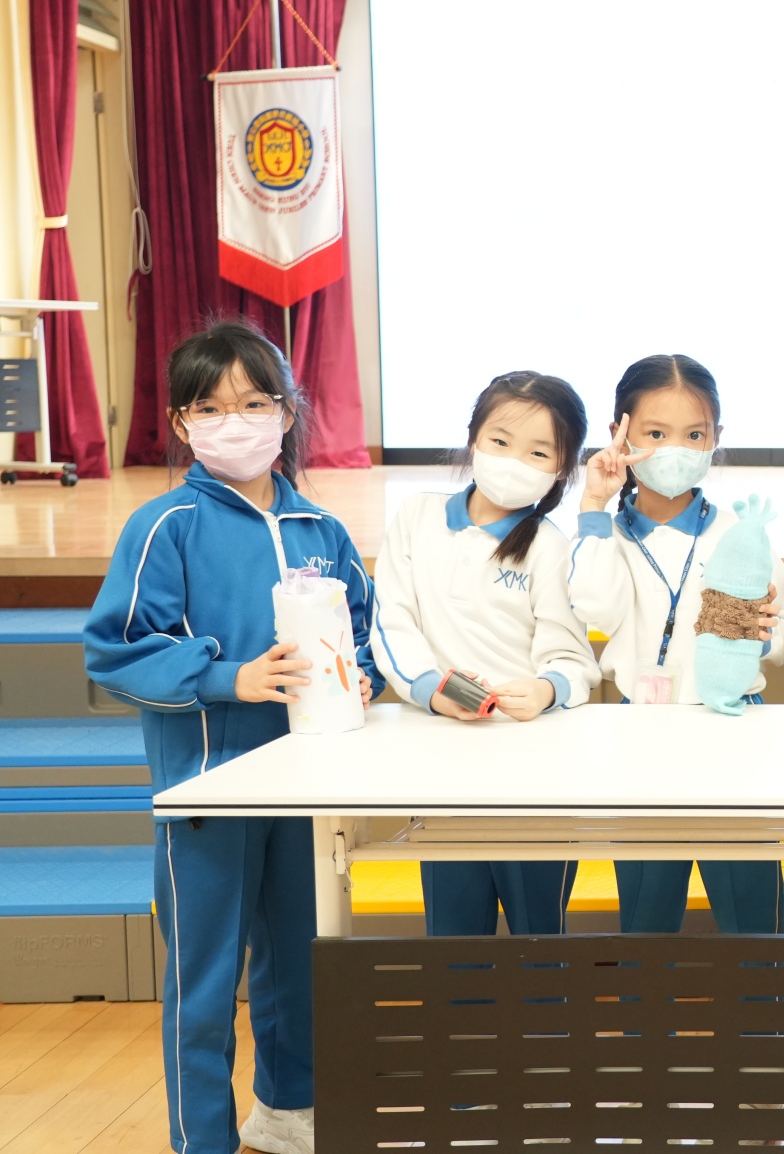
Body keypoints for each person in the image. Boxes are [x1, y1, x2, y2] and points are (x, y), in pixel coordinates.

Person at [84, 320, 380, 1154]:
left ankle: (288, 1113)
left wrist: (363, 676)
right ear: (181, 423)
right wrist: (227, 677)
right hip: (207, 790)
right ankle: (201, 1139)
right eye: (210, 408)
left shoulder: (322, 529)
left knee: (298, 962)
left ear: (288, 411)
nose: (236, 423)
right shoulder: (165, 525)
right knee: (204, 982)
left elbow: (364, 635)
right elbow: (115, 653)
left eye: (254, 403)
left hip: (306, 789)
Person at [568, 354, 784, 933]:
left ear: (716, 438)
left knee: (752, 916)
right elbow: (593, 605)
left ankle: (761, 998)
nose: (676, 449)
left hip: (734, 729)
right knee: (646, 916)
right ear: (620, 433)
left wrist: (760, 636)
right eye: (655, 434)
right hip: (643, 734)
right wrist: (593, 504)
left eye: (694, 435)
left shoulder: (740, 532)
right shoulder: (607, 534)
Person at [371, 371, 600, 937]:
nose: (514, 460)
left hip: (535, 773)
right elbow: (391, 621)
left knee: (540, 942)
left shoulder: (550, 546)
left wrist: (546, 690)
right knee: (454, 944)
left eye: (538, 452)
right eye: (500, 441)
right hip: (443, 766)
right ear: (473, 438)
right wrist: (430, 688)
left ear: (561, 468)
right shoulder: (417, 518)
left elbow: (572, 660)